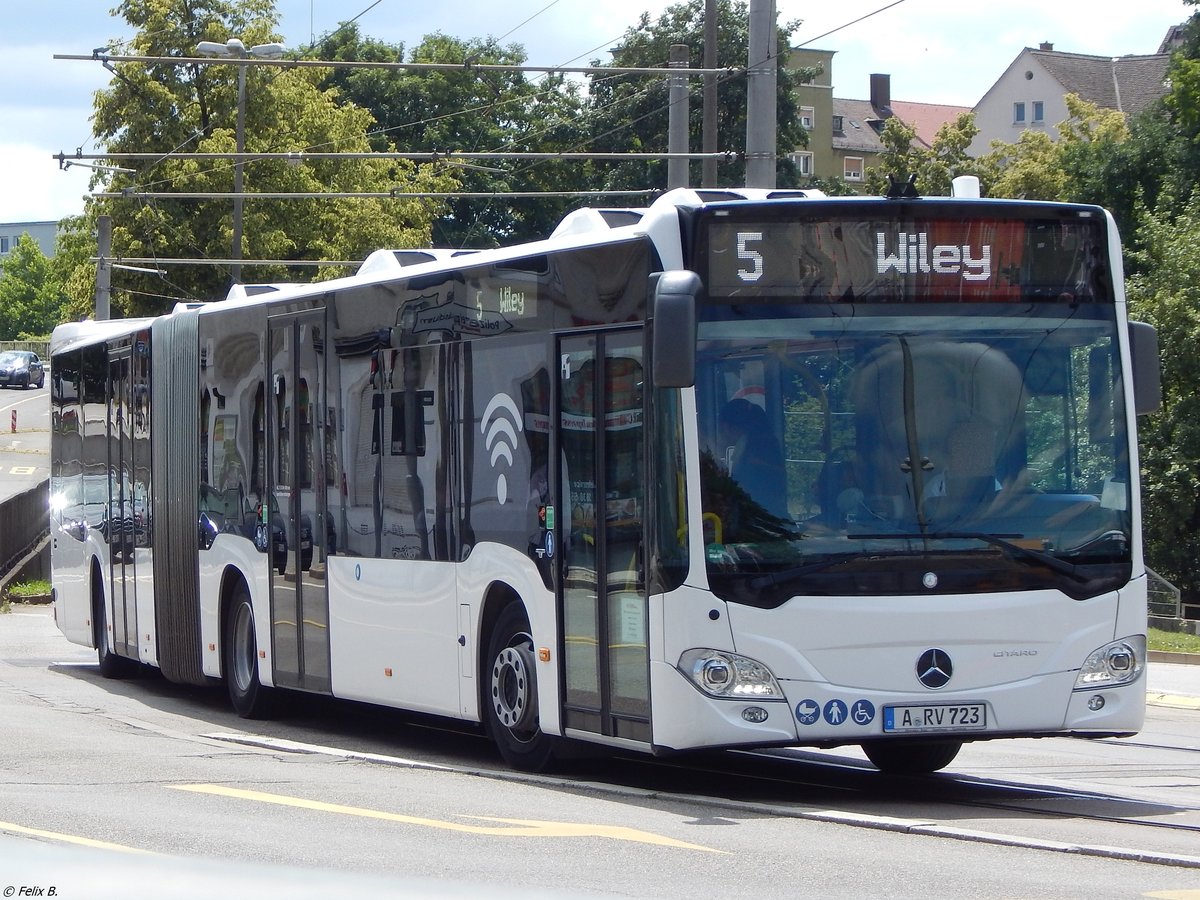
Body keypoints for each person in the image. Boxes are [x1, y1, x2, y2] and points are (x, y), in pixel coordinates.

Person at [717, 398, 789, 521]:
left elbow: (745, 493)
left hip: (759, 521)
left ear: (728, 427)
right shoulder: (762, 444)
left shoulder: (751, 455)